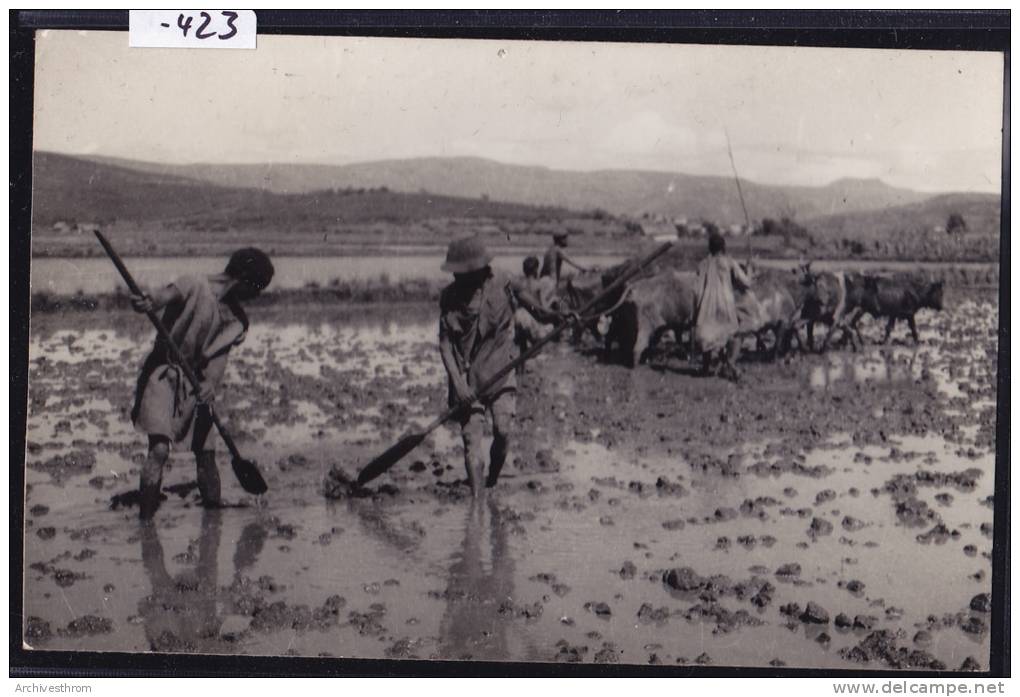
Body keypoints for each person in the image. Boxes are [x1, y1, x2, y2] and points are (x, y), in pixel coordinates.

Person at [130, 248, 274, 520]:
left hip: (197, 383)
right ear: (243, 280)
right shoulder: (194, 284)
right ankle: (145, 524)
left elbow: (218, 358)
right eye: (257, 289)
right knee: (159, 448)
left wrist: (210, 385)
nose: (256, 297)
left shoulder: (237, 321)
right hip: (162, 372)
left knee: (206, 452)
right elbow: (162, 297)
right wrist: (148, 302)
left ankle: (213, 522)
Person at [439, 237, 562, 497]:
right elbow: (446, 345)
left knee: (503, 432)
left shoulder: (506, 283)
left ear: (480, 269)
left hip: (501, 372)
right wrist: (459, 385)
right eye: (456, 274)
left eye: (463, 274)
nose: (458, 279)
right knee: (472, 442)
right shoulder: (449, 298)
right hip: (467, 380)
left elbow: (538, 311)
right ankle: (477, 502)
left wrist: (560, 318)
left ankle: (492, 481)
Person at [694, 232, 755, 381]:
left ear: (710, 248)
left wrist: (696, 310)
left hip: (705, 308)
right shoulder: (729, 262)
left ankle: (706, 366)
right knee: (737, 332)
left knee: (707, 334)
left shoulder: (702, 264)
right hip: (725, 307)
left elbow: (695, 290)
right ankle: (730, 363)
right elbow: (746, 283)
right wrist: (750, 270)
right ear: (723, 248)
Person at [514, 256, 558, 357]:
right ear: (535, 270)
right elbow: (543, 309)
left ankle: (524, 352)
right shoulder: (538, 285)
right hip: (533, 323)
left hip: (520, 319)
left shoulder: (520, 284)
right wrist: (552, 300)